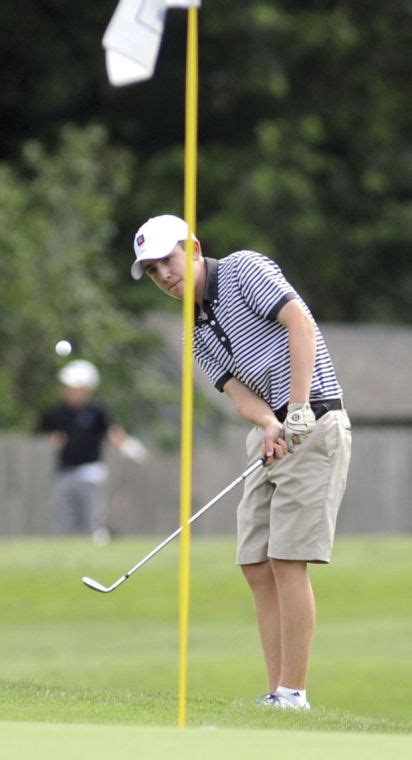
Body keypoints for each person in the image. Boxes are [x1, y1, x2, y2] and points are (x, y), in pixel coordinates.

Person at [130, 214, 352, 710]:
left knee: (286, 558)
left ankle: (293, 694)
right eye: (151, 270)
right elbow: (236, 392)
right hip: (271, 433)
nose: (164, 275)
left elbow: (300, 323)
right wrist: (270, 423)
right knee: (255, 562)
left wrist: (295, 407)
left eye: (168, 260)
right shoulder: (193, 328)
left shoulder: (242, 269)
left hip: (314, 421)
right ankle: (275, 692)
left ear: (193, 248)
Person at [38, 359, 147, 542]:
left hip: (91, 472)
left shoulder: (97, 410)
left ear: (86, 389)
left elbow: (112, 431)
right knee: (63, 518)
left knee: (93, 517)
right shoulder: (58, 411)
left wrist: (127, 445)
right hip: (64, 471)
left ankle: (96, 543)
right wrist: (52, 438)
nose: (69, 391)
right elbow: (43, 431)